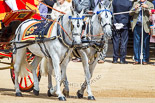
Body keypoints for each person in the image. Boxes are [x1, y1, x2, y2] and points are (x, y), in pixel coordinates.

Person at [130, 0, 154, 65]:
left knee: (145, 43)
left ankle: (145, 59)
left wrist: (147, 7)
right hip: (137, 25)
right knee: (136, 43)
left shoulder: (150, 4)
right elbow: (130, 13)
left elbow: (152, 14)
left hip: (145, 26)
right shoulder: (135, 3)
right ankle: (136, 59)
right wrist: (135, 8)